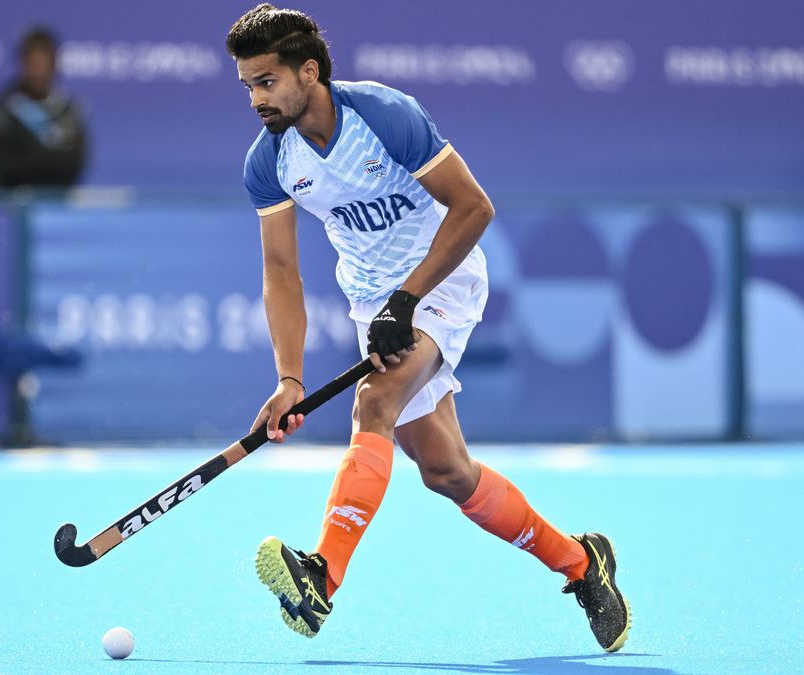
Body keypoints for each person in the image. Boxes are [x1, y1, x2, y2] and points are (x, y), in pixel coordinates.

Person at [226, 4, 630, 652]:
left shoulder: (383, 116)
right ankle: (584, 564)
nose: (255, 99)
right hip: (373, 306)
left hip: (440, 283)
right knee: (446, 471)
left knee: (374, 401)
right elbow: (281, 272)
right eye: (246, 84)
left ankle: (322, 575)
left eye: (266, 81)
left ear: (309, 71)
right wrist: (289, 377)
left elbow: (474, 206)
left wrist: (408, 298)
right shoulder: (269, 159)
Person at [0, 27, 88, 188]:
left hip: (58, 205)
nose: (37, 73)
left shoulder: (69, 110)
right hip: (14, 204)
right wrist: (50, 154)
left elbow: (73, 163)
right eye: (32, 65)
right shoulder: (1, 110)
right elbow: (1, 166)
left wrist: (28, 154)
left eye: (42, 65)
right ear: (21, 64)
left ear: (54, 65)